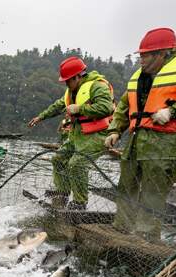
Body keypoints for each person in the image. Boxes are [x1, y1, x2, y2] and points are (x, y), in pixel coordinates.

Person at [105, 27, 176, 240]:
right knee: (127, 184)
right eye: (140, 55)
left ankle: (145, 235)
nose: (141, 60)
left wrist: (173, 111)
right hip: (136, 141)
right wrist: (115, 130)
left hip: (167, 143)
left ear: (162, 54)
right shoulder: (138, 76)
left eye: (145, 55)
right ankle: (122, 227)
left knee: (153, 191)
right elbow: (124, 106)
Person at [28, 56, 114, 210]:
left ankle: (80, 203)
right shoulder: (71, 91)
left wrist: (79, 109)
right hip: (77, 135)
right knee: (58, 159)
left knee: (77, 164)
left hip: (97, 136)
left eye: (68, 80)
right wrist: (40, 117)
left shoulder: (98, 86)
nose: (66, 84)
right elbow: (58, 106)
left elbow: (106, 108)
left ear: (78, 76)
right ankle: (63, 193)